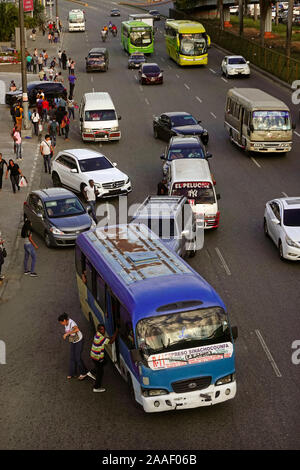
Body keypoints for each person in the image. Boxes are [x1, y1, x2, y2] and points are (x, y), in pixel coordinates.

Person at [57, 313, 88, 380]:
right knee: (72, 357)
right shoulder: (66, 324)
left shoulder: (72, 323)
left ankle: (84, 373)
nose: (61, 324)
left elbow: (77, 330)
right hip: (73, 341)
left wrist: (67, 334)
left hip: (79, 341)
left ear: (65, 320)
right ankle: (72, 372)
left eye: (61, 322)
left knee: (78, 358)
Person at [88, 323, 118, 393]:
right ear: (98, 330)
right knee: (100, 373)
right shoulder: (100, 338)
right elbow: (111, 341)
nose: (103, 331)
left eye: (104, 329)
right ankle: (96, 387)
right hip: (97, 358)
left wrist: (110, 337)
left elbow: (106, 339)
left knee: (105, 362)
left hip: (94, 355)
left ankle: (91, 372)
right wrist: (116, 332)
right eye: (102, 330)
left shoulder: (98, 334)